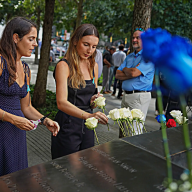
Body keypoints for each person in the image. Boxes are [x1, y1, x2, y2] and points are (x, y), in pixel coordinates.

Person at [0, 17, 60, 177]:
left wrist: (44, 120)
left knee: (15, 178)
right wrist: (12, 118)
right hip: (2, 132)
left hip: (16, 134)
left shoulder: (25, 69)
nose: (35, 44)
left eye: (36, 40)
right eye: (31, 39)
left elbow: (26, 107)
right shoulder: (0, 63)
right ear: (15, 38)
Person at [51, 24, 108, 159]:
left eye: (94, 47)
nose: (90, 50)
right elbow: (61, 102)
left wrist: (94, 101)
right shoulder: (64, 65)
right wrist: (87, 116)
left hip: (88, 125)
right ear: (75, 41)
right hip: (68, 125)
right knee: (65, 169)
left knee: (86, 168)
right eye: (86, 44)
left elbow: (90, 101)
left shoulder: (93, 65)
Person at [116, 28, 155, 137]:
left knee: (134, 132)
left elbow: (133, 73)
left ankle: (132, 154)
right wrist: (131, 70)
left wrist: (128, 70)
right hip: (126, 96)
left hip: (139, 97)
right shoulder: (129, 56)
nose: (134, 40)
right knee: (123, 131)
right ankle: (123, 154)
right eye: (133, 37)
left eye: (138, 37)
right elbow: (117, 74)